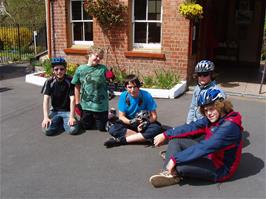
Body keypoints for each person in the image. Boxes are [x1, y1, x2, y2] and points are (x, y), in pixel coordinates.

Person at [149, 88, 243, 188]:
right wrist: (165, 134)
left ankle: (172, 172)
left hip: (220, 168)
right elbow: (190, 127)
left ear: (221, 106)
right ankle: (168, 171)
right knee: (175, 141)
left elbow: (206, 147)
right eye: (206, 110)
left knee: (181, 166)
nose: (208, 113)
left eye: (211, 109)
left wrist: (175, 159)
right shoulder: (212, 119)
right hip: (210, 154)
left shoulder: (229, 126)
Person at [104, 74, 162, 148]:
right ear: (126, 87)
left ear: (139, 87)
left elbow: (154, 116)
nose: (133, 90)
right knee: (112, 128)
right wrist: (131, 121)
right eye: (130, 87)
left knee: (156, 128)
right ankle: (142, 137)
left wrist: (145, 123)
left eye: (135, 87)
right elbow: (121, 116)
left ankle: (122, 140)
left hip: (143, 122)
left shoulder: (146, 95)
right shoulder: (123, 96)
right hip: (129, 122)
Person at [71, 46, 113, 131]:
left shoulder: (103, 68)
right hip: (86, 105)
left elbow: (110, 80)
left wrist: (111, 77)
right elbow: (77, 86)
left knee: (101, 128)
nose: (98, 59)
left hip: (101, 105)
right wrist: (77, 103)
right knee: (86, 127)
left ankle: (111, 114)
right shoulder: (80, 69)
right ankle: (93, 118)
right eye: (96, 56)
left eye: (100, 58)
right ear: (90, 54)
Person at [41, 57, 79, 136]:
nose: (59, 71)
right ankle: (60, 122)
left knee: (73, 130)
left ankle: (63, 122)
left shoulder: (70, 80)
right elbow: (46, 100)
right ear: (53, 70)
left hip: (68, 111)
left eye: (62, 69)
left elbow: (72, 99)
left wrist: (72, 116)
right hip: (55, 111)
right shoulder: (49, 82)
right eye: (56, 69)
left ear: (65, 70)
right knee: (47, 130)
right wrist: (46, 117)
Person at [186, 60, 226, 124]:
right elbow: (193, 107)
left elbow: (222, 114)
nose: (202, 77)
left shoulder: (217, 92)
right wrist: (188, 122)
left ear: (211, 75)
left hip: (207, 125)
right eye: (199, 74)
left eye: (205, 74)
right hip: (195, 122)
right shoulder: (197, 88)